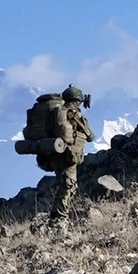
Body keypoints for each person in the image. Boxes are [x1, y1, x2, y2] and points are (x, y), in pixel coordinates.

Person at [48, 84, 95, 218]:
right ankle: (59, 216)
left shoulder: (55, 113)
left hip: (53, 153)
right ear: (77, 101)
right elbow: (90, 136)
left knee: (62, 183)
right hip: (68, 156)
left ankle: (57, 213)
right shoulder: (74, 115)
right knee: (69, 185)